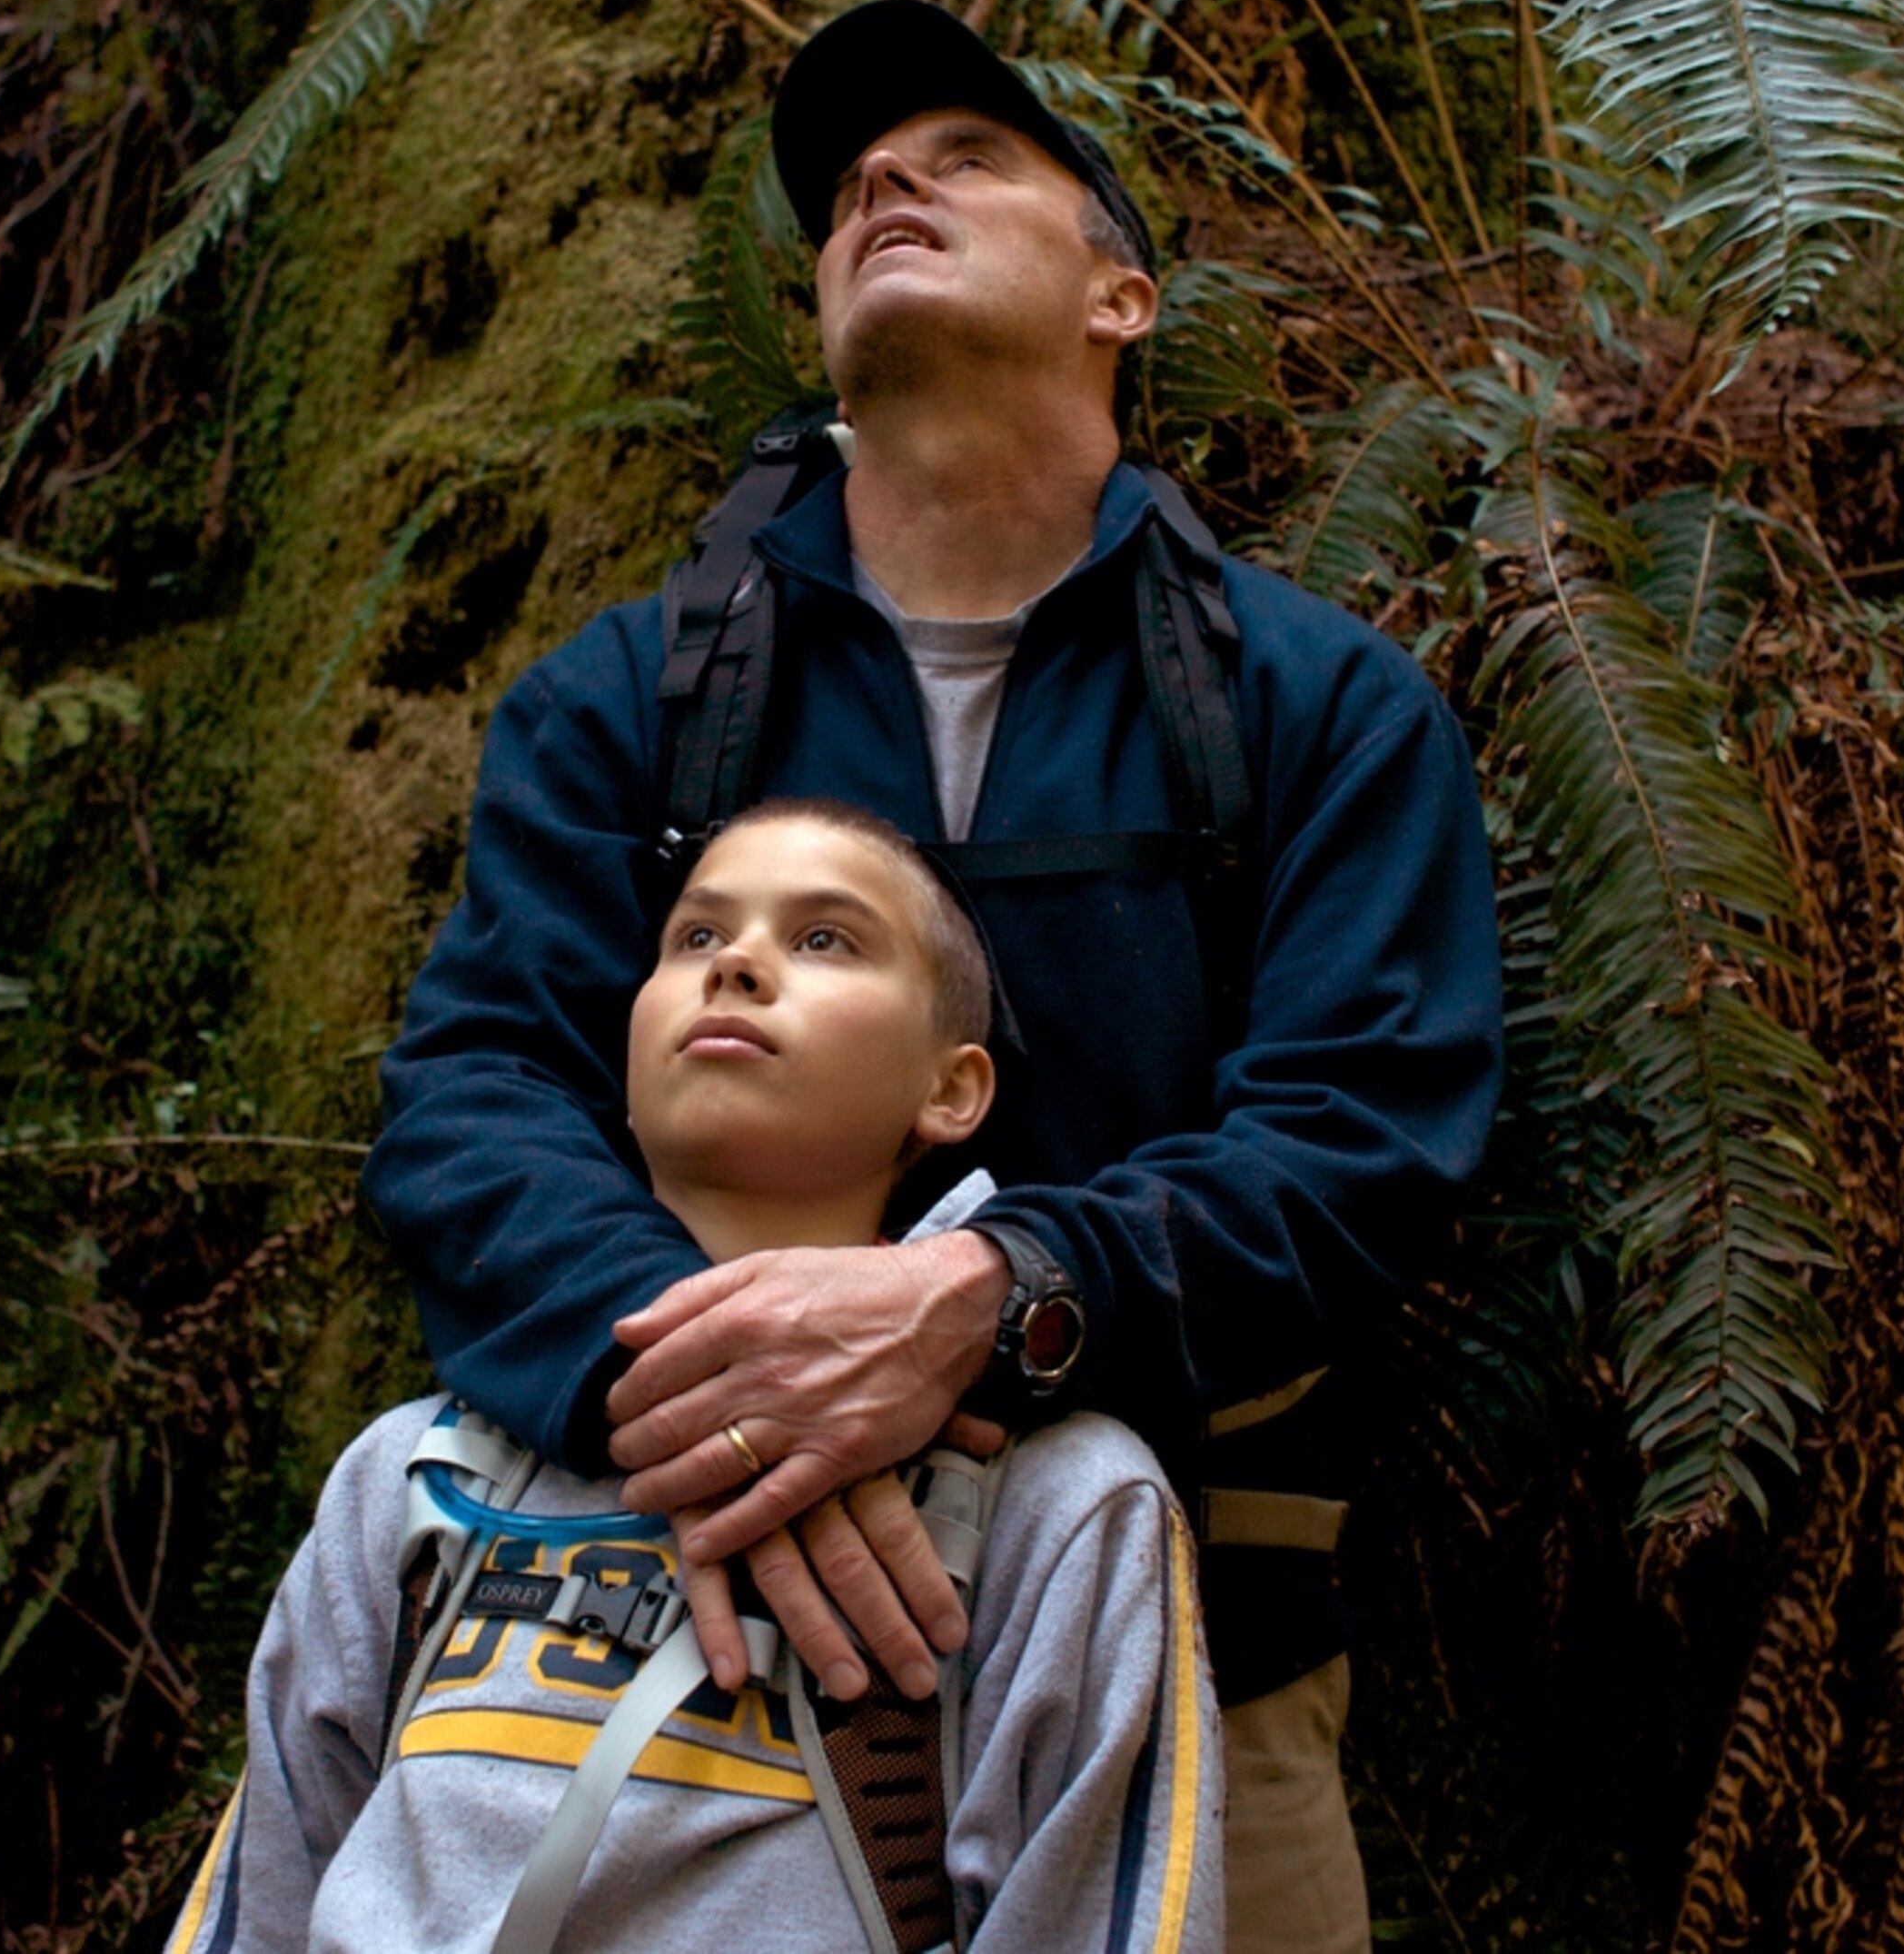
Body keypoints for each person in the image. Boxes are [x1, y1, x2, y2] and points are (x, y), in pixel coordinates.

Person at [364, 0, 1502, 1949]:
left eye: (968, 158)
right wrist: (739, 1407)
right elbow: (474, 1103)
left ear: (1122, 297)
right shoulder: (631, 707)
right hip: (645, 1633)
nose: (886, 182)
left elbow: (1366, 1140)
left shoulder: (1317, 711)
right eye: (851, 193)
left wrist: (989, 1305)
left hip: (1199, 1667)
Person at [174, 802, 1221, 1954]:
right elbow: (259, 1908)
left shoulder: (1061, 1508)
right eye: (695, 937)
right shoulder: (417, 1478)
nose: (736, 964)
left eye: (825, 938)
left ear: (952, 1090)